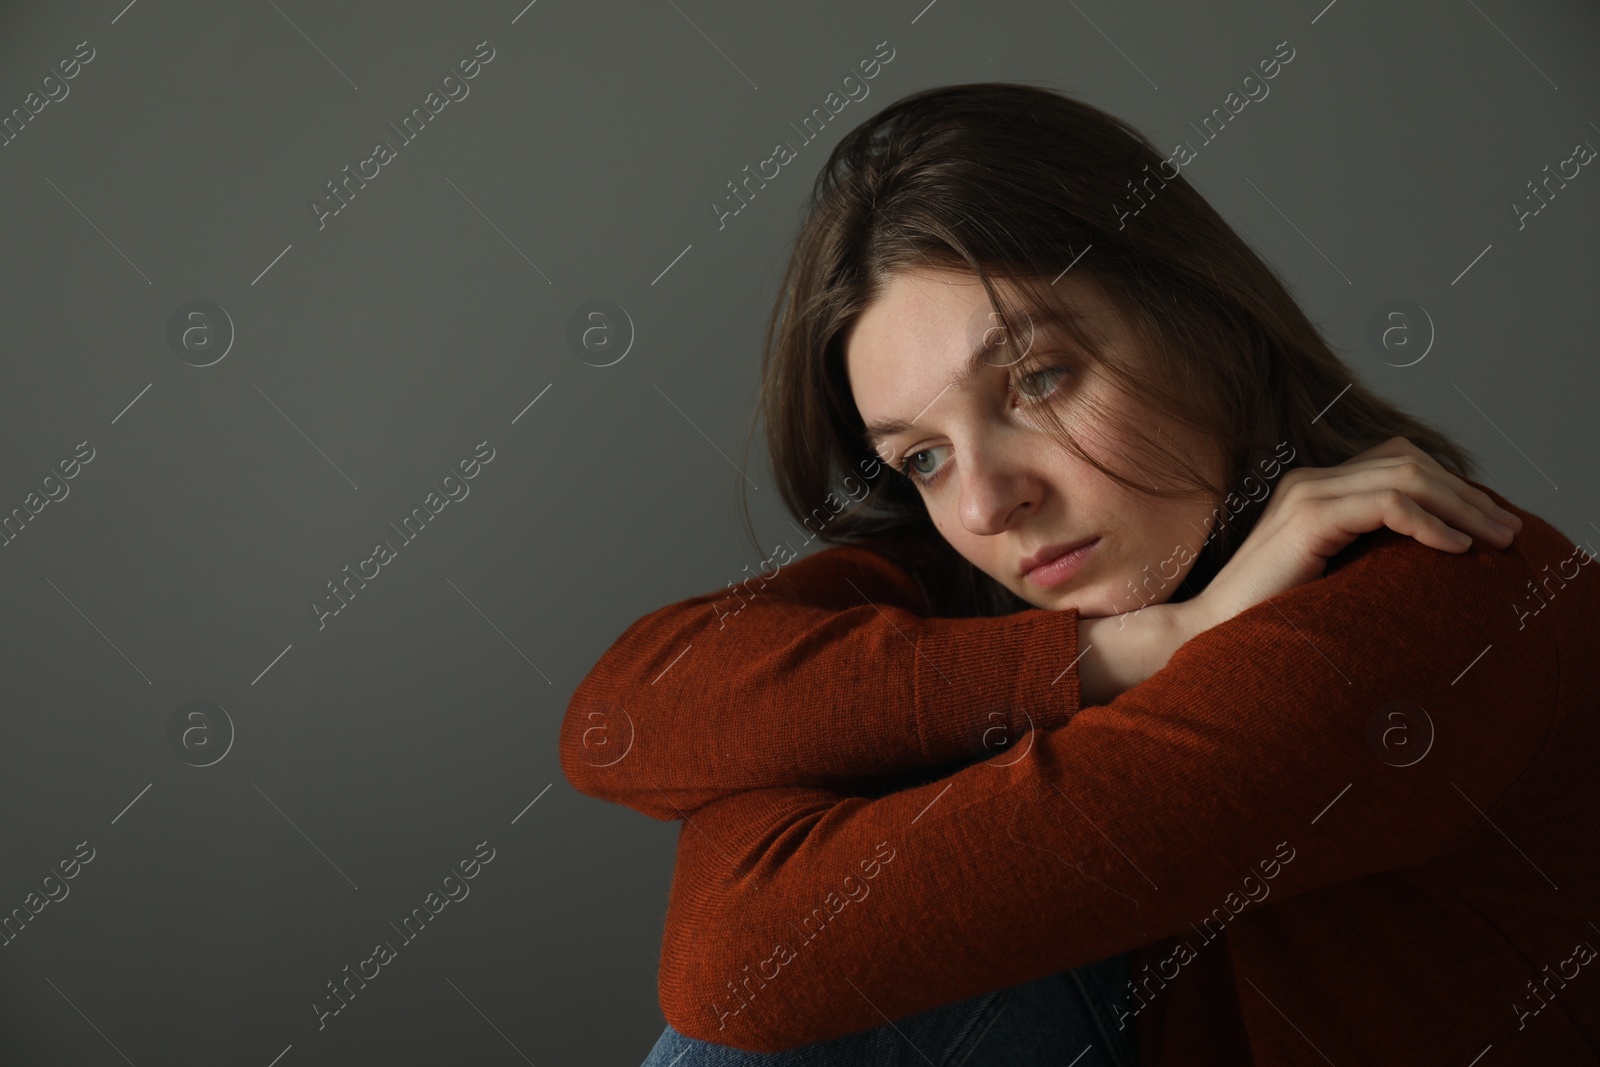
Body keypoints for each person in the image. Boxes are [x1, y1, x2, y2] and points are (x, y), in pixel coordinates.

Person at [560, 83, 1600, 1065]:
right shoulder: (1025, 575)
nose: (982, 503)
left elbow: (739, 961)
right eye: (920, 456)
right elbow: (623, 712)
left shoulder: (1434, 603)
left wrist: (809, 776)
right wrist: (1138, 645)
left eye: (1036, 379)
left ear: (1203, 312)